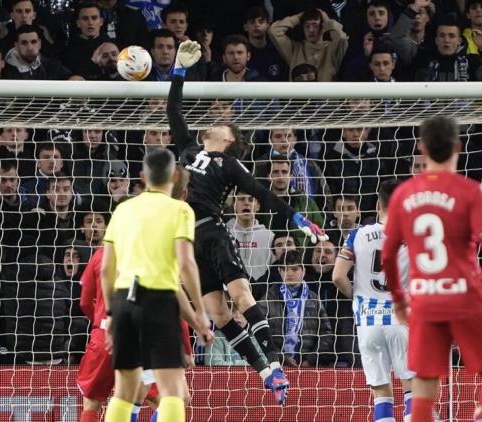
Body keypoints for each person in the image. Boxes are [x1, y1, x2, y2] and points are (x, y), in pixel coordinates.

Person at [167, 40, 327, 405]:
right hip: (185, 242)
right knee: (218, 313)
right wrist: (178, 71)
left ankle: (275, 361)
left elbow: (263, 193)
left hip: (211, 231)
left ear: (229, 140)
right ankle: (264, 371)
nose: (215, 122)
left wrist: (296, 216)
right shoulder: (189, 150)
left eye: (222, 125)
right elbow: (173, 110)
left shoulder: (229, 164)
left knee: (241, 296)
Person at [381, 116, 482, 422]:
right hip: (466, 298)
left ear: (422, 148)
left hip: (424, 300)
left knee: (423, 388)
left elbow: (389, 255)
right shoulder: (471, 191)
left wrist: (399, 298)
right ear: (458, 146)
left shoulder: (402, 196)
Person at [101, 148, 213, 422]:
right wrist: (200, 313)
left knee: (124, 391)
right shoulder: (180, 209)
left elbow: (106, 269)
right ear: (175, 176)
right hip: (158, 301)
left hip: (124, 301)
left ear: (142, 177)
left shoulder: (123, 209)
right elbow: (186, 264)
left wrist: (111, 316)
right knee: (172, 390)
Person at [332, 179, 414, 422]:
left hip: (367, 323)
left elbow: (337, 276)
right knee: (412, 388)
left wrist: (357, 296)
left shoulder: (356, 235)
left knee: (381, 391)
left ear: (378, 204)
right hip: (401, 322)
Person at [259, 250, 334, 368]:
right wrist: (280, 357)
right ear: (279, 271)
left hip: (308, 365)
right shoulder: (268, 298)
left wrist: (311, 359)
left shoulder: (314, 299)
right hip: (276, 364)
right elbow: (260, 333)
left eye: (294, 269)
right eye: (284, 269)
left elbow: (326, 334)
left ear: (303, 270)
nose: (289, 273)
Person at [269, 7, 349, 81]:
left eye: (315, 26)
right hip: (299, 95)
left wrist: (327, 21)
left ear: (323, 27)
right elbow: (274, 31)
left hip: (325, 95)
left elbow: (341, 39)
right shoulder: (295, 49)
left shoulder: (331, 49)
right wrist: (298, 18)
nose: (311, 30)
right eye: (307, 26)